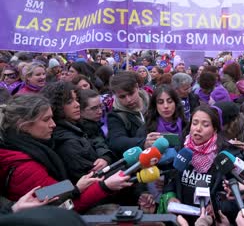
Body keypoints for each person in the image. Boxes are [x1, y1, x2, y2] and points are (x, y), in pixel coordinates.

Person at [0, 95, 132, 213]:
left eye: (52, 118)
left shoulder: (31, 147)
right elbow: (57, 204)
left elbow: (50, 189)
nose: (53, 124)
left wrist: (75, 186)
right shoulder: (24, 167)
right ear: (24, 126)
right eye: (46, 120)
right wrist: (105, 186)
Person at [41, 82, 114, 184]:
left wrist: (105, 157)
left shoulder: (76, 125)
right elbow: (45, 193)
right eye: (69, 101)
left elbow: (95, 141)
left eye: (77, 100)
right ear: (57, 106)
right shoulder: (66, 142)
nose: (77, 105)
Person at [107, 71, 150, 156]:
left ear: (137, 87)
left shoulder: (154, 102)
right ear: (115, 95)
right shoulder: (116, 115)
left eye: (131, 93)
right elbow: (116, 141)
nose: (128, 100)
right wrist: (143, 143)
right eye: (122, 97)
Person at [136, 85, 187, 149]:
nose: (166, 106)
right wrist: (144, 145)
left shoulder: (186, 126)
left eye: (169, 101)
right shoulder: (146, 130)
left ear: (176, 103)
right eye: (160, 102)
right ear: (155, 106)